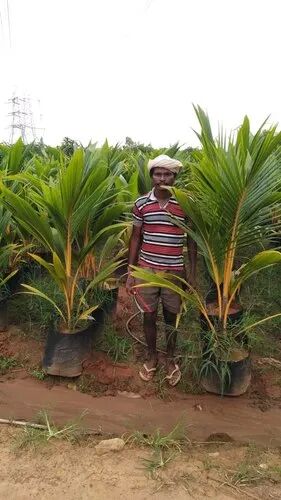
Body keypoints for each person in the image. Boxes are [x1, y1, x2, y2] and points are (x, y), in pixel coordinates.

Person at [126, 154, 197, 386]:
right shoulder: (141, 204)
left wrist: (192, 273)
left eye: (168, 174)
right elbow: (136, 238)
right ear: (151, 176)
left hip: (174, 271)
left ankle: (171, 359)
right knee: (149, 316)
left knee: (171, 317)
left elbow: (192, 241)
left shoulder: (185, 204)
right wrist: (130, 271)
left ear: (175, 177)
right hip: (147, 270)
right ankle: (152, 357)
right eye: (158, 174)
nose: (162, 178)